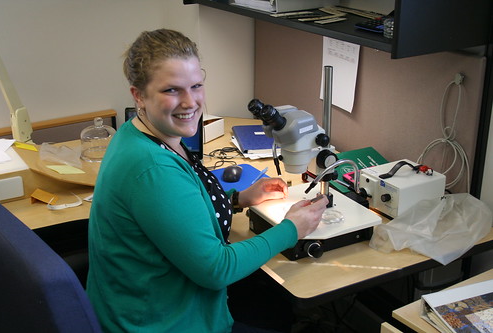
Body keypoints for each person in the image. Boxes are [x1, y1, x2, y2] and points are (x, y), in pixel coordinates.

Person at [86, 28, 328, 333]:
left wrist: (238, 198)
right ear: (139, 95)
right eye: (171, 90)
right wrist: (292, 229)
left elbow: (172, 211)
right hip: (162, 324)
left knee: (272, 302)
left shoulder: (141, 133)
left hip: (147, 306)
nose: (190, 102)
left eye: (196, 85)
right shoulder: (152, 169)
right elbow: (216, 269)